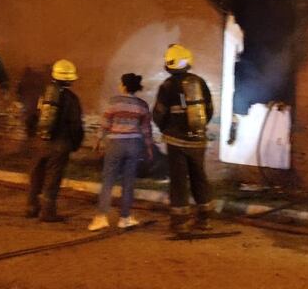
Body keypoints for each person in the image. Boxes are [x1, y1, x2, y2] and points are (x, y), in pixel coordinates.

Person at [152, 44, 214, 235]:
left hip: (176, 141)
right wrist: (198, 128)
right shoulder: (200, 82)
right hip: (198, 140)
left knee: (179, 180)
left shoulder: (167, 86)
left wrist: (167, 129)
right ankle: (205, 219)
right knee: (199, 177)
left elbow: (159, 113)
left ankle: (180, 222)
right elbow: (209, 110)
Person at [88, 73, 154, 231]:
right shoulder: (142, 105)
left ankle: (101, 217)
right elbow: (146, 128)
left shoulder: (114, 102)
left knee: (108, 180)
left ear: (123, 86)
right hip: (134, 144)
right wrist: (149, 146)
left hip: (115, 143)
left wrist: (98, 140)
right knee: (128, 182)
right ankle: (124, 218)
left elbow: (105, 123)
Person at [26, 59, 84, 222]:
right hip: (60, 143)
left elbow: (31, 116)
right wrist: (75, 143)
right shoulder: (71, 99)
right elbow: (76, 124)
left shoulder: (43, 95)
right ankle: (47, 212)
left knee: (36, 174)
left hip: (40, 141)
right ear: (69, 79)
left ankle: (31, 207)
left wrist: (34, 136)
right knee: (53, 177)